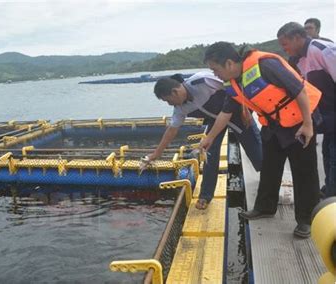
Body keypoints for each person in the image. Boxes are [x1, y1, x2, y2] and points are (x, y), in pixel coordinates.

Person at [200, 42, 322, 238]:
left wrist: (308, 124)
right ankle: (265, 207)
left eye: (215, 69)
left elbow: (298, 89)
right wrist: (210, 138)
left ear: (229, 63)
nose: (215, 74)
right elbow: (225, 113)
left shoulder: (264, 65)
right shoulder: (233, 83)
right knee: (270, 166)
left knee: (304, 172)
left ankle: (307, 219)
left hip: (299, 120)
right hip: (274, 124)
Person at [143, 71, 262, 210]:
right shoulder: (180, 108)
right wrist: (156, 154)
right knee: (208, 153)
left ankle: (269, 180)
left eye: (168, 100)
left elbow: (234, 84)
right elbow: (172, 130)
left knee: (256, 152)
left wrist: (245, 107)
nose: (169, 104)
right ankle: (205, 196)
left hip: (237, 114)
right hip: (216, 122)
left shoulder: (202, 81)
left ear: (175, 92)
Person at [277, 22, 336, 198]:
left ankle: (332, 197)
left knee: (334, 155)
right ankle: (330, 188)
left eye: (285, 44)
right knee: (327, 151)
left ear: (297, 38)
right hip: (327, 113)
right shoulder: (297, 59)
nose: (284, 48)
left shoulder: (323, 51)